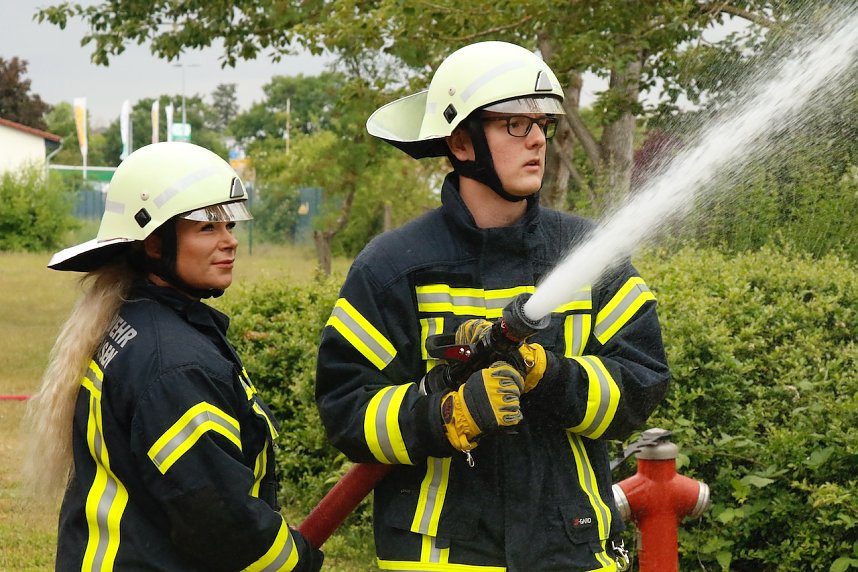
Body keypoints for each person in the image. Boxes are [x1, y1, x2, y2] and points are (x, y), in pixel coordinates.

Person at [315, 41, 670, 571]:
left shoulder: (589, 256)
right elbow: (347, 410)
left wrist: (548, 374)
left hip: (570, 552)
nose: (536, 141)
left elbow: (640, 386)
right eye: (513, 126)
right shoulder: (394, 267)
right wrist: (444, 415)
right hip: (441, 557)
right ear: (461, 143)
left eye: (542, 125)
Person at [23, 142, 323, 571]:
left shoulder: (132, 319)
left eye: (229, 225)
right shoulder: (175, 364)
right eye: (207, 228)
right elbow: (217, 515)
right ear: (153, 243)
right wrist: (293, 559)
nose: (230, 241)